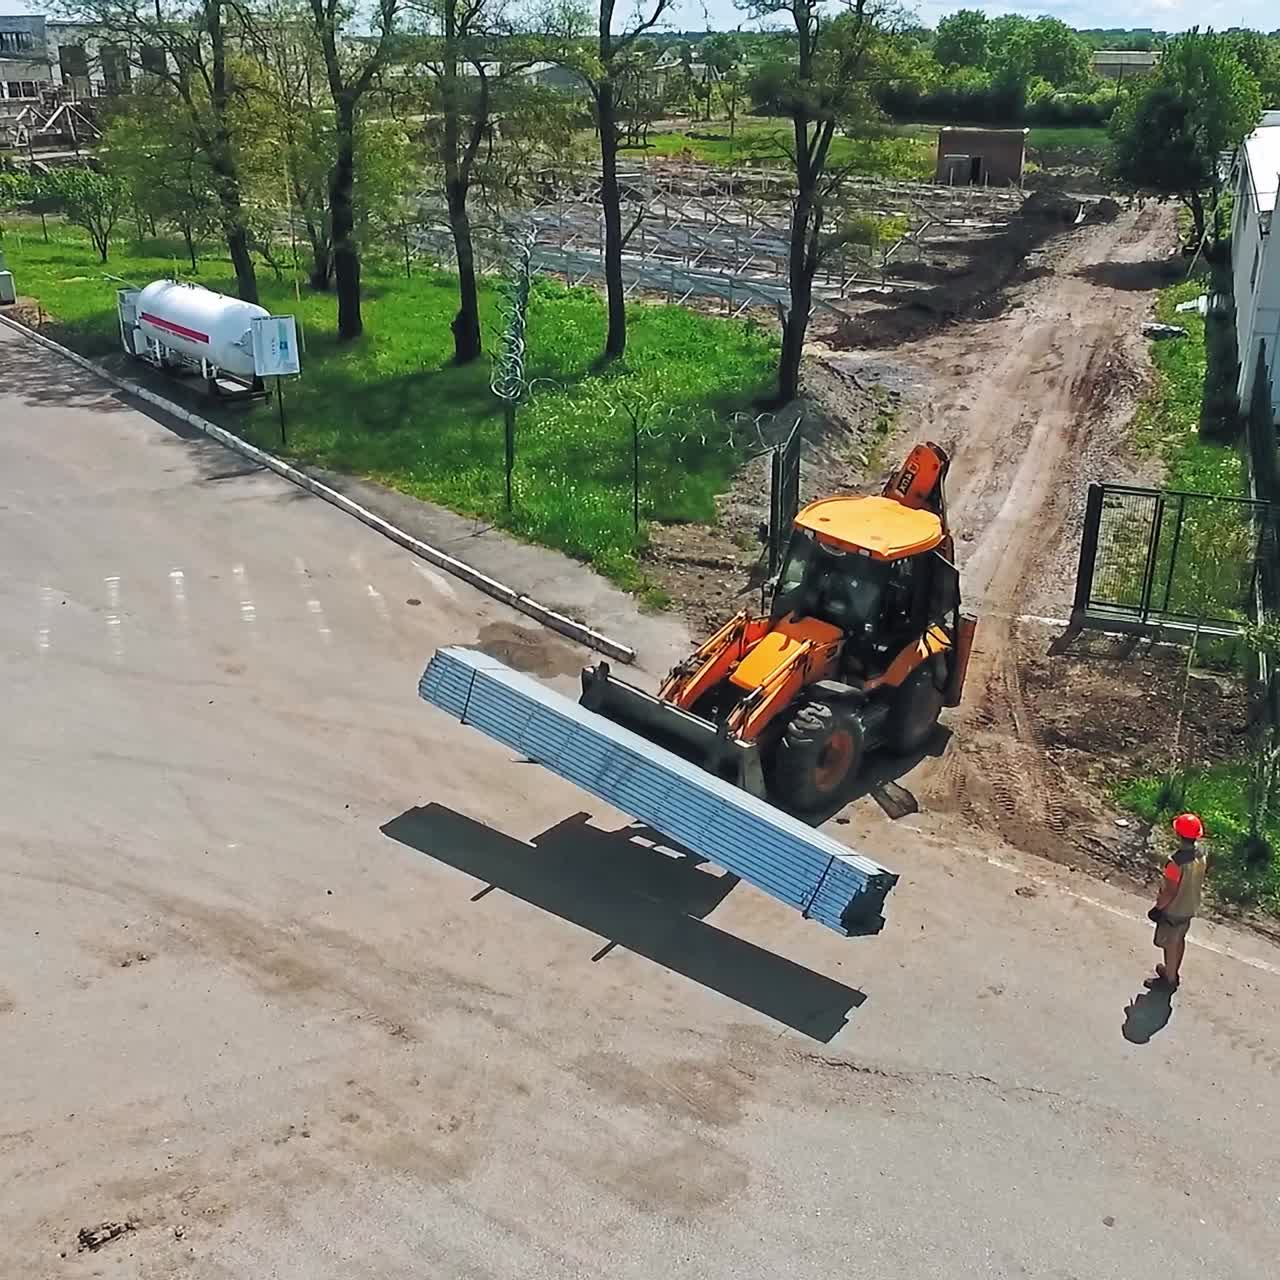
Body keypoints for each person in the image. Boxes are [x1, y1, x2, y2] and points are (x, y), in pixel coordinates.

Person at [1145, 813, 1208, 992]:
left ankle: (1169, 980)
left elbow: (1170, 891)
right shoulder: (1202, 853)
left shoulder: (1175, 863)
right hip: (1190, 905)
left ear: (1178, 834)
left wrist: (1158, 908)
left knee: (1169, 944)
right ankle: (1172, 971)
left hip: (1174, 909)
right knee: (1179, 939)